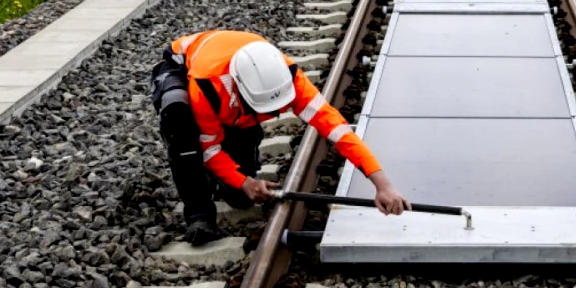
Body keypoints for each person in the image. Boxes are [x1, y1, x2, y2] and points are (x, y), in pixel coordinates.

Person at [149, 30, 409, 244]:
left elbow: (338, 130)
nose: (273, 115)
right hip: (181, 67)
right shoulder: (206, 87)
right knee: (180, 124)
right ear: (239, 93)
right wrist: (244, 180)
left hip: (233, 101)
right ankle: (199, 215)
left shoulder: (289, 79)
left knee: (239, 197)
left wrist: (382, 184)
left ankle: (223, 176)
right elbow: (210, 149)